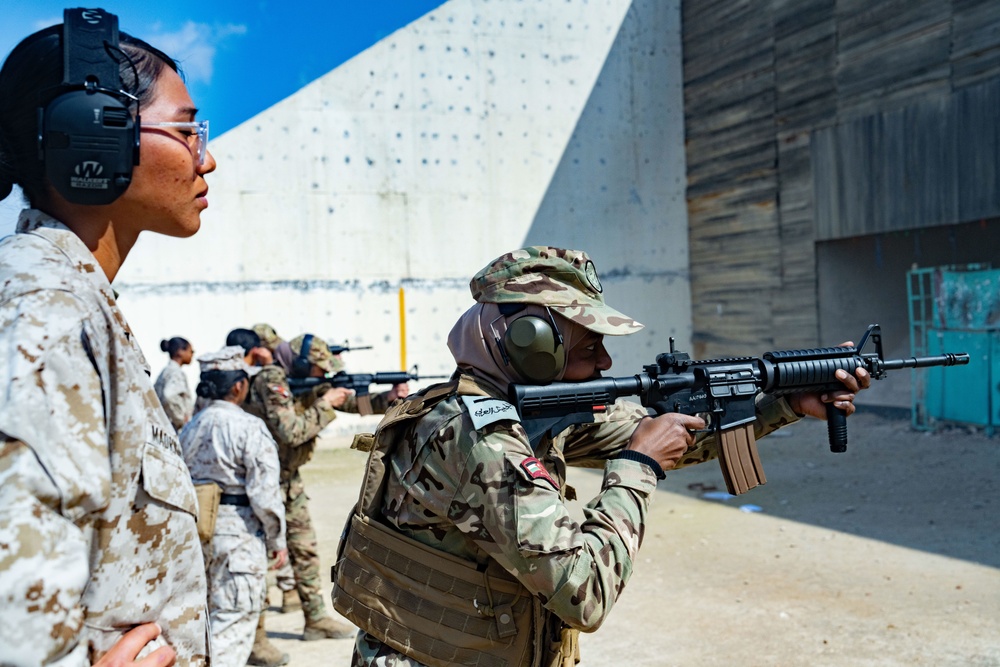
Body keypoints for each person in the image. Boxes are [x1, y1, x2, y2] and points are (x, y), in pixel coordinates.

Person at [332, 246, 871, 667]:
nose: (607, 360)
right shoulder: (482, 438)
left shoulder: (518, 415)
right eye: (590, 347)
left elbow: (673, 436)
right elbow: (582, 593)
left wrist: (787, 404)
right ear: (531, 344)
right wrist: (638, 470)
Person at [0, 8, 215, 665]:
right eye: (186, 129)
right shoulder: (50, 314)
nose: (208, 155)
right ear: (94, 135)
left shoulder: (79, 303)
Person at [243, 333, 407, 645]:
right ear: (303, 364)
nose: (325, 375)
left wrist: (387, 397)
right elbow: (291, 432)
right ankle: (256, 637)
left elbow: (346, 401)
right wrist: (324, 403)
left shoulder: (303, 380)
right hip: (262, 482)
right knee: (261, 558)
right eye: (320, 368)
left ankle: (315, 618)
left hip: (288, 480)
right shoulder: (271, 380)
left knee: (305, 550)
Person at [180, 346, 288, 667]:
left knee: (206, 629)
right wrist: (277, 539)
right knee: (232, 629)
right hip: (239, 537)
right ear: (239, 386)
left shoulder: (188, 428)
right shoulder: (249, 428)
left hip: (197, 535)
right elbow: (264, 494)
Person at [155, 336, 195, 431]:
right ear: (180, 352)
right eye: (191, 351)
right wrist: (181, 419)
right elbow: (169, 396)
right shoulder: (175, 372)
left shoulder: (165, 371)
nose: (192, 355)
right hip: (172, 429)